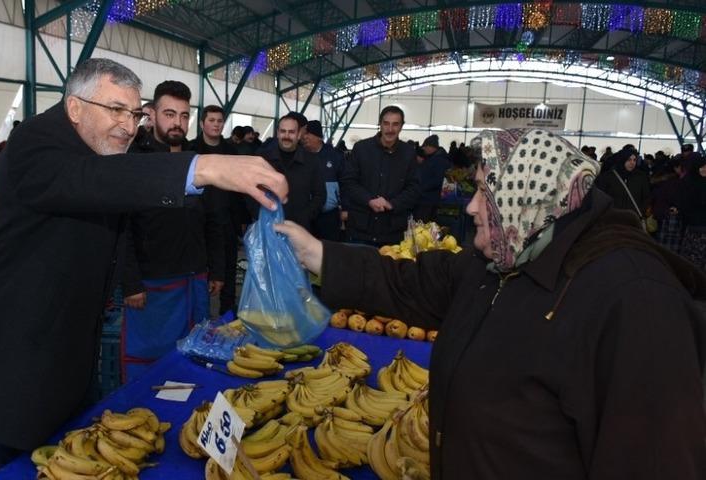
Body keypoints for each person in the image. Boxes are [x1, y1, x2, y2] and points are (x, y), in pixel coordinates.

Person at [275, 128, 706, 480]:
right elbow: (410, 281)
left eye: (485, 190)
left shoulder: (636, 301)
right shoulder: (506, 257)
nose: (470, 206)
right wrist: (317, 253)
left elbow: (654, 460)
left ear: (530, 196)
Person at [0, 58, 287, 479]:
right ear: (75, 107)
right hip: (18, 363)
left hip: (72, 355)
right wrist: (204, 167)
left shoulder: (95, 148)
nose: (129, 126)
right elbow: (91, 179)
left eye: (134, 114)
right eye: (115, 110)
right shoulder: (34, 143)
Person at [120, 81, 226, 381]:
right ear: (152, 114)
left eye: (183, 115)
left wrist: (217, 269)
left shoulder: (198, 161)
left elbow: (214, 219)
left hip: (194, 277)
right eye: (169, 114)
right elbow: (122, 226)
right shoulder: (135, 160)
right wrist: (130, 283)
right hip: (153, 284)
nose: (177, 122)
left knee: (194, 357)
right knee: (149, 363)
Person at [189, 105, 245, 315]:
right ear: (202, 123)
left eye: (219, 121)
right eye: (211, 120)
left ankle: (227, 315)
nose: (216, 124)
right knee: (198, 271)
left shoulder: (231, 152)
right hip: (198, 220)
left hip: (226, 220)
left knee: (228, 271)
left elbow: (238, 188)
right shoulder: (192, 150)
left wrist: (240, 219)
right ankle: (197, 317)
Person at [340, 105, 421, 246]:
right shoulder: (361, 148)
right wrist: (369, 200)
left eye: (395, 124)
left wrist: (392, 204)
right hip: (360, 230)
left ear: (401, 126)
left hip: (392, 232)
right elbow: (348, 182)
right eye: (386, 123)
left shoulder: (408, 153)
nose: (390, 129)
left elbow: (414, 188)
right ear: (380, 124)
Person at [247, 113, 325, 231]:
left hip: (299, 230)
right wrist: (260, 215)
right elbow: (249, 190)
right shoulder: (262, 159)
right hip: (267, 228)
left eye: (291, 132)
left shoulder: (311, 161)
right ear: (278, 133)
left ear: (299, 135)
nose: (286, 136)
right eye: (283, 131)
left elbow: (320, 195)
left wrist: (305, 217)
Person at [304, 120, 344, 241]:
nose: (305, 137)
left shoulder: (334, 156)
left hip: (329, 214)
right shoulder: (301, 155)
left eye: (308, 134)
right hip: (306, 212)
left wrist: (345, 208)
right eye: (304, 134)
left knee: (329, 246)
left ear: (318, 137)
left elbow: (345, 182)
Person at [595, 147, 650, 222]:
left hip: (632, 220)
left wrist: (640, 213)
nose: (632, 163)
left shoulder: (640, 177)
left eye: (634, 160)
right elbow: (600, 198)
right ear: (622, 160)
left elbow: (646, 197)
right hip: (612, 220)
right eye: (629, 160)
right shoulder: (608, 177)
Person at [414, 134, 452, 222]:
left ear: (431, 147)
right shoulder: (432, 158)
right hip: (426, 198)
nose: (423, 149)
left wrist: (420, 187)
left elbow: (437, 181)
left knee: (423, 223)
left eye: (425, 146)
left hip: (428, 200)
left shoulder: (438, 160)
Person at [680, 155, 706, 269]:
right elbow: (685, 204)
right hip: (694, 229)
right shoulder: (689, 182)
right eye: (702, 167)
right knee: (692, 262)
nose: (704, 169)